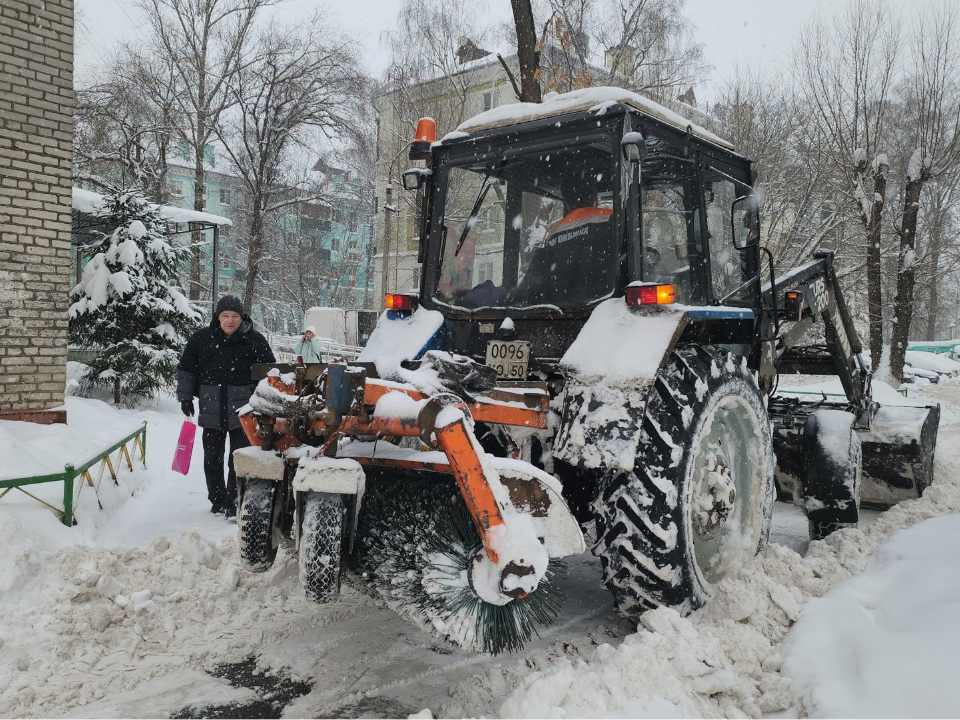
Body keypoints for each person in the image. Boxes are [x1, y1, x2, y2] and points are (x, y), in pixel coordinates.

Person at [177, 295, 275, 517]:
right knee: (212, 458)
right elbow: (187, 369)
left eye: (234, 316)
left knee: (237, 458)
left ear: (242, 318)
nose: (230, 321)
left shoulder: (255, 340)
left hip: (244, 412)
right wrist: (185, 397)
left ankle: (234, 499)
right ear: (217, 317)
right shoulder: (202, 338)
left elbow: (270, 373)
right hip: (211, 408)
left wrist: (263, 402)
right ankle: (217, 498)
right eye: (225, 316)